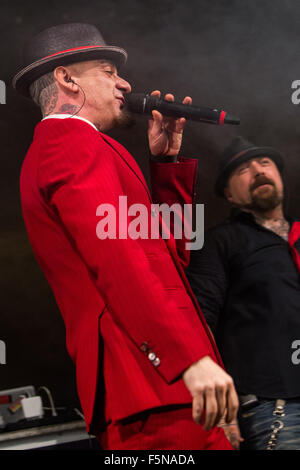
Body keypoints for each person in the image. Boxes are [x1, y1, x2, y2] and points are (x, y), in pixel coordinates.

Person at [12, 23, 238, 450]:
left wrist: (166, 166)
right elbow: (117, 261)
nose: (125, 83)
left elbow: (169, 260)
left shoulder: (80, 146)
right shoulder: (68, 142)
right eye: (107, 70)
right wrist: (187, 360)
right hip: (148, 379)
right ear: (67, 78)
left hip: (159, 382)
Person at [186, 135, 300, 450]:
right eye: (243, 170)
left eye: (264, 163)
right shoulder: (219, 243)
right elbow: (198, 320)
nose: (257, 171)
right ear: (229, 195)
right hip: (273, 406)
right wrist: (221, 409)